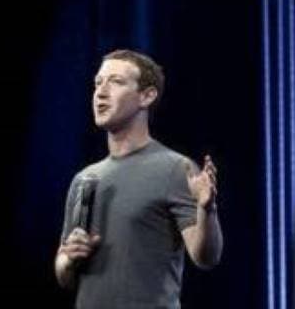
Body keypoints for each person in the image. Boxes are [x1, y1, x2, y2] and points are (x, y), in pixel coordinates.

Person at [55, 49, 223, 307]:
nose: (101, 92)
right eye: (98, 83)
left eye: (116, 82)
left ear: (147, 96)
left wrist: (207, 209)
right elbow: (64, 274)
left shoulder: (175, 168)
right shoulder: (85, 179)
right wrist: (68, 260)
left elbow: (206, 257)